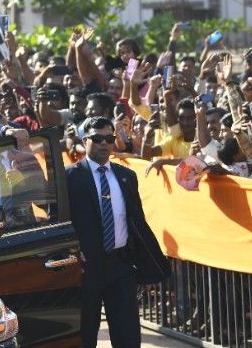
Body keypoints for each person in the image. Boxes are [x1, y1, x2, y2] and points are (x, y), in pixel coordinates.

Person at [65, 116, 169, 348]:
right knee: (85, 335)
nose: (104, 143)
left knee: (128, 336)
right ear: (85, 140)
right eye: (98, 138)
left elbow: (137, 223)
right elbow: (58, 219)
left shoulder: (126, 176)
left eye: (109, 138)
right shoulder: (69, 177)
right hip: (85, 268)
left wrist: (145, 265)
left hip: (120, 265)